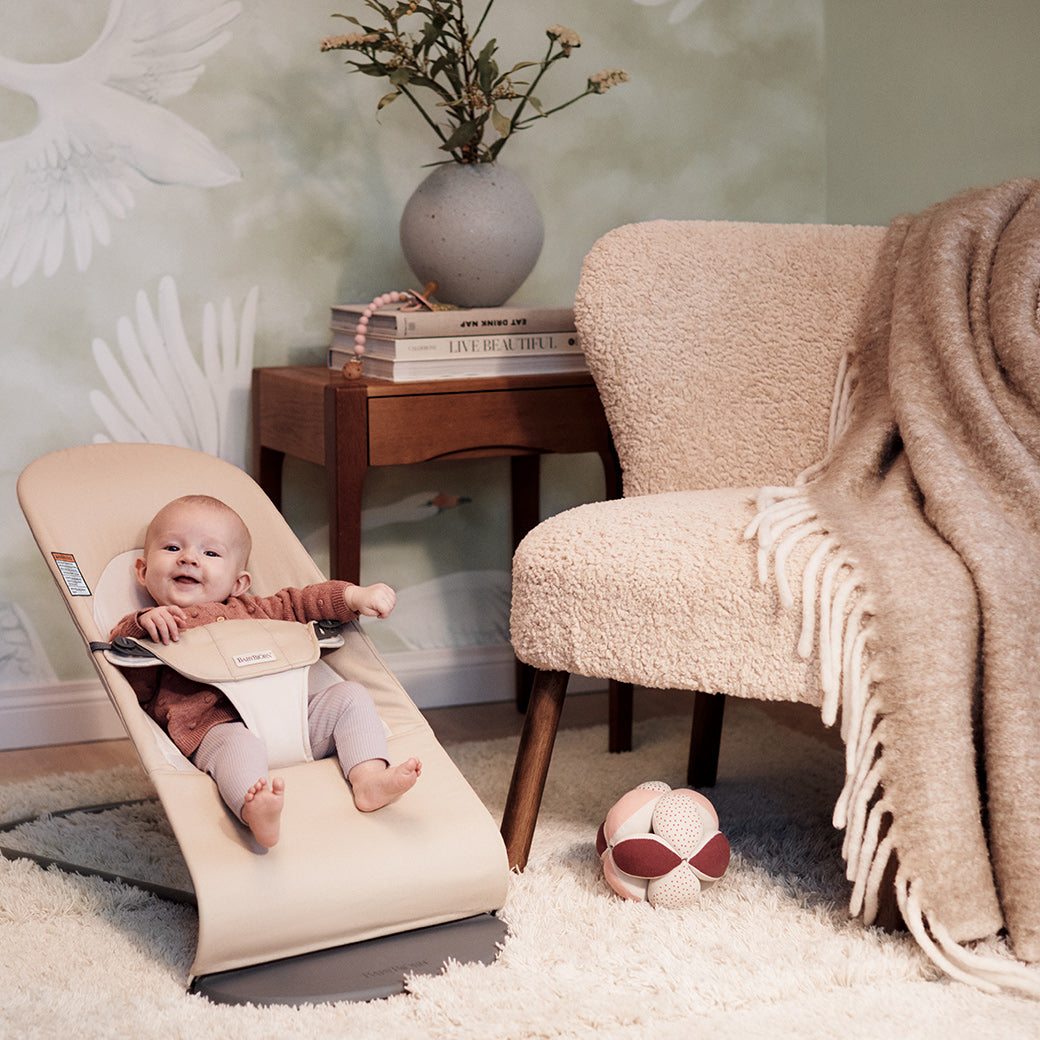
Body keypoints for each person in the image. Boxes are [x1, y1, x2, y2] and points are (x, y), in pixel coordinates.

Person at [109, 493, 421, 848]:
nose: (189, 558)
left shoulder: (255, 609)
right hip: (212, 727)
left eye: (210, 553)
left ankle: (369, 778)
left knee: (350, 697)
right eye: (171, 547)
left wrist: (353, 596)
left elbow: (306, 601)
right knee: (237, 746)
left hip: (291, 718)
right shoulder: (156, 626)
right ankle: (254, 808)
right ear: (143, 571)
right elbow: (130, 672)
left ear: (239, 584)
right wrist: (142, 624)